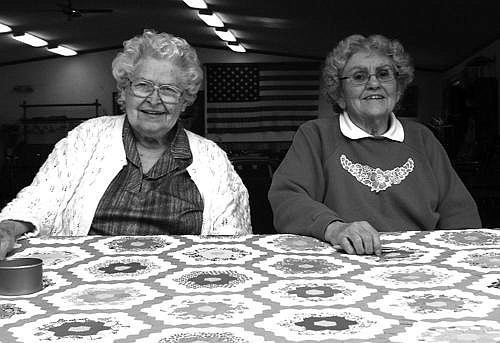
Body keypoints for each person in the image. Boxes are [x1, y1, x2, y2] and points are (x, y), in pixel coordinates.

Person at [0, 29, 251, 259]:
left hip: (180, 285)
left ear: (184, 100)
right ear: (124, 91)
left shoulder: (212, 158)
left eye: (168, 90)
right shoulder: (86, 138)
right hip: (85, 279)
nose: (154, 100)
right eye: (143, 86)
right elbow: (39, 200)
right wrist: (8, 229)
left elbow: (232, 240)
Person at [268, 34, 481, 256]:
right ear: (339, 94)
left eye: (383, 74)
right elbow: (287, 199)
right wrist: (335, 227)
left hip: (419, 265)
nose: (373, 83)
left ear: (398, 90)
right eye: (359, 76)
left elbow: (460, 213)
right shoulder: (316, 136)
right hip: (344, 261)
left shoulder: (422, 138)